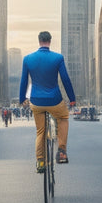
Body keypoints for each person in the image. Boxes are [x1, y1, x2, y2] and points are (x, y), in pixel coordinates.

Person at [19, 31, 76, 173]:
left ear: (39, 41)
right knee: (63, 118)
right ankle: (61, 151)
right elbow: (65, 79)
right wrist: (72, 98)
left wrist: (22, 99)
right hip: (55, 100)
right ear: (50, 41)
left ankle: (40, 162)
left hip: (36, 101)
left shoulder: (28, 59)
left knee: (40, 132)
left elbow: (24, 81)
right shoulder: (58, 58)